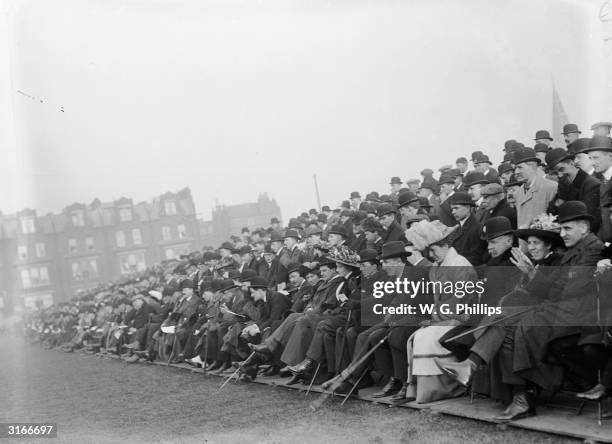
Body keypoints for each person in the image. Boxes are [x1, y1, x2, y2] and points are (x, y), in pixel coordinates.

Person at [403, 220, 478, 403]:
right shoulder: (436, 268)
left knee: (426, 337)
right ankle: (422, 388)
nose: (430, 255)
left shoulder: (460, 264)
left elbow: (460, 302)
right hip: (444, 318)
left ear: (445, 246)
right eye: (428, 251)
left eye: (434, 250)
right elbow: (437, 302)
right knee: (417, 336)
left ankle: (447, 386)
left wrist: (435, 320)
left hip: (463, 318)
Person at [545, 147, 601, 233]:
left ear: (571, 163)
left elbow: (590, 221)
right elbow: (551, 212)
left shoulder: (592, 184)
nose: (559, 175)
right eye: (555, 173)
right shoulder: (563, 184)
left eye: (561, 169)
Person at [513, 147, 558, 248]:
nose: (516, 172)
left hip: (544, 248)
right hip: (524, 248)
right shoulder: (518, 193)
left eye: (520, 167)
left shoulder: (551, 187)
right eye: (515, 168)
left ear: (533, 166)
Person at [578, 136, 612, 243]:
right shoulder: (602, 181)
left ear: (610, 156)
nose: (592, 163)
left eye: (596, 158)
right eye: (590, 158)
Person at [448, 192, 487, 266]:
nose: (453, 212)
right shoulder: (459, 226)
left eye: (456, 208)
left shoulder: (476, 228)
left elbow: (476, 258)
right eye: (452, 209)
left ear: (468, 208)